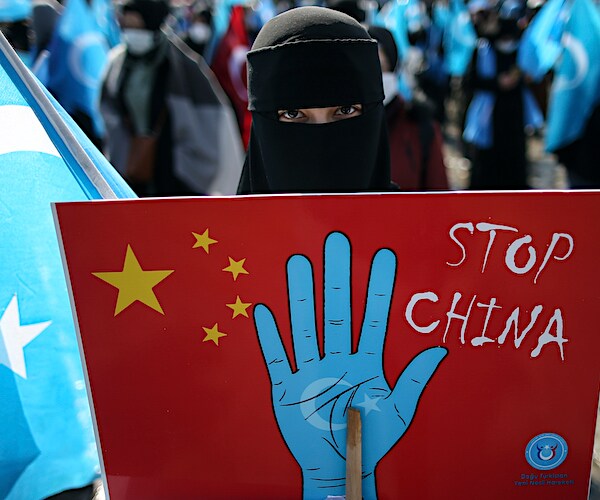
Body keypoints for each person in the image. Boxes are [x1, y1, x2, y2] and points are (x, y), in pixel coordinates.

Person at [237, 6, 391, 194]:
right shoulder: (218, 224)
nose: (322, 151)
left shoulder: (420, 223)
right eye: (293, 114)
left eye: (345, 111)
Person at [100, 0, 243, 196]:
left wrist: (182, 159)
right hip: (127, 166)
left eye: (136, 26)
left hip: (171, 173)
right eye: (127, 26)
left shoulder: (183, 66)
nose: (130, 33)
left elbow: (212, 120)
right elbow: (108, 109)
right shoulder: (116, 63)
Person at [368, 25, 449, 191]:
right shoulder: (339, 125)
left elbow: (439, 196)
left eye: (380, 68)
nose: (372, 78)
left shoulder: (419, 124)